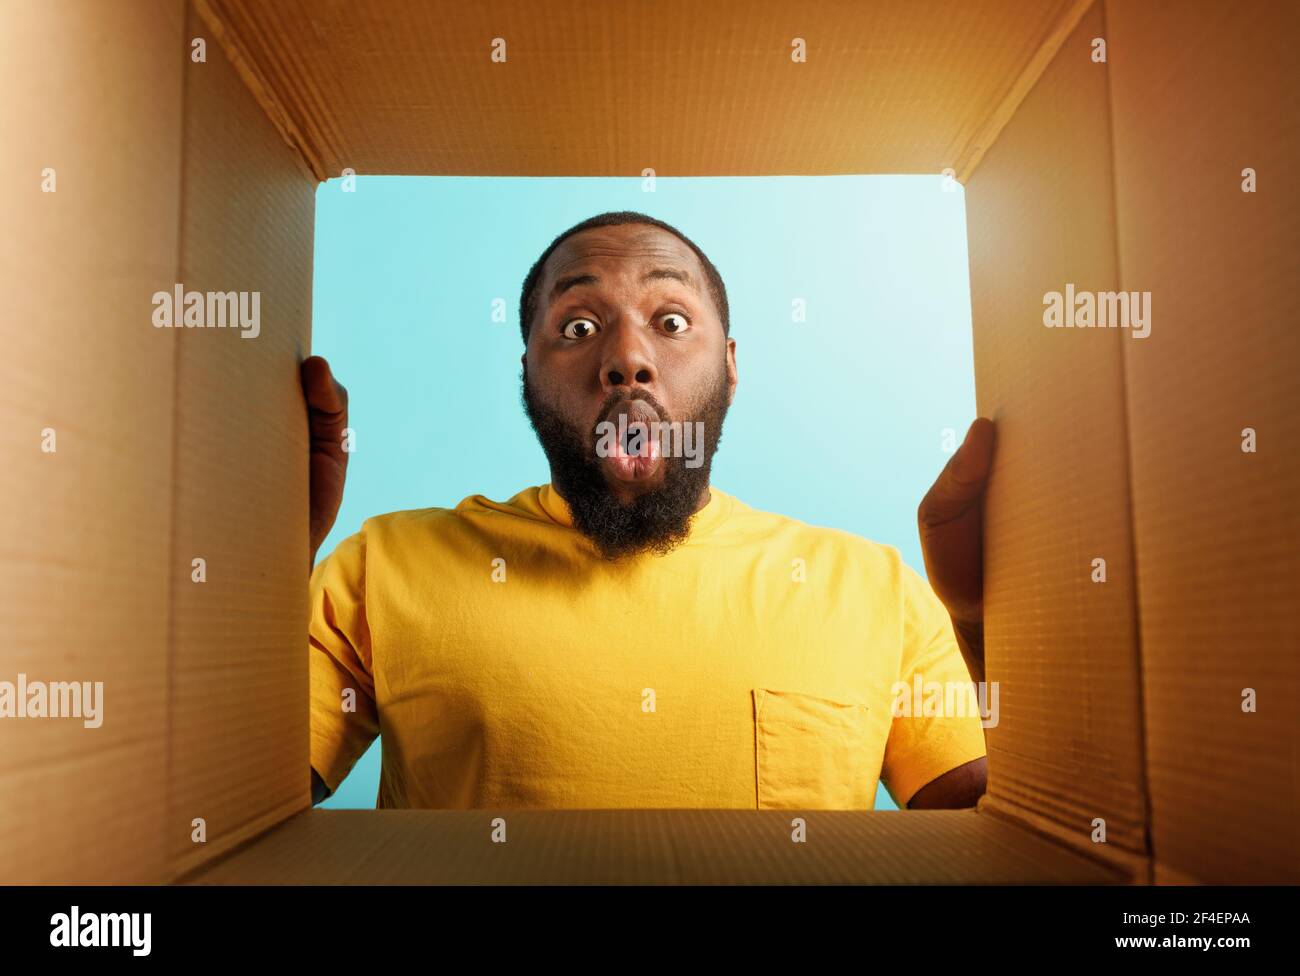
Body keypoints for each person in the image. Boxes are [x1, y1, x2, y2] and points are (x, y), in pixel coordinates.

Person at [302, 210, 995, 811]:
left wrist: (981, 630)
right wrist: (264, 554)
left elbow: (1012, 846)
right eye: (577, 325)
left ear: (729, 365)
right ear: (527, 375)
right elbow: (227, 810)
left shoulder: (872, 588)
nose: (627, 358)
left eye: (669, 321)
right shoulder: (384, 568)